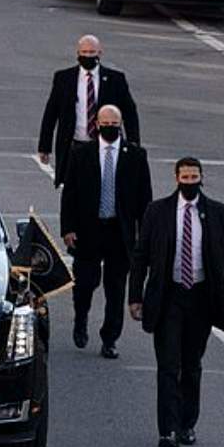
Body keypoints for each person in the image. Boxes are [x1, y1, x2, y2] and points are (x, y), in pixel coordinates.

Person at [128, 158, 224, 447]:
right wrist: (135, 297)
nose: (190, 181)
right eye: (185, 176)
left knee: (191, 365)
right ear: (176, 178)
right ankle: (167, 429)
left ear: (202, 178)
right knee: (168, 364)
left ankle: (186, 423)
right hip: (168, 297)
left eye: (195, 176)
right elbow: (141, 256)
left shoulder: (218, 214)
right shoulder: (157, 212)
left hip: (201, 297)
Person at [63, 104, 151, 358]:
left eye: (115, 124)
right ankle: (81, 320)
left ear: (121, 124)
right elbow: (70, 195)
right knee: (85, 283)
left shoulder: (135, 156)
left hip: (119, 232)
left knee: (116, 288)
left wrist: (143, 235)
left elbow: (144, 198)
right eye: (106, 124)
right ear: (97, 124)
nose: (111, 128)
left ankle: (110, 338)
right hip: (88, 230)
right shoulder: (82, 153)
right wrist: (68, 228)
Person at [38, 34, 142, 185]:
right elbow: (51, 113)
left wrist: (133, 142)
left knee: (103, 185)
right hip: (74, 144)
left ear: (100, 53)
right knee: (72, 188)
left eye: (91, 53)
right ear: (78, 53)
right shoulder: (64, 78)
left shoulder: (115, 79)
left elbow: (129, 112)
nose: (88, 56)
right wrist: (44, 146)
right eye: (84, 52)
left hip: (105, 145)